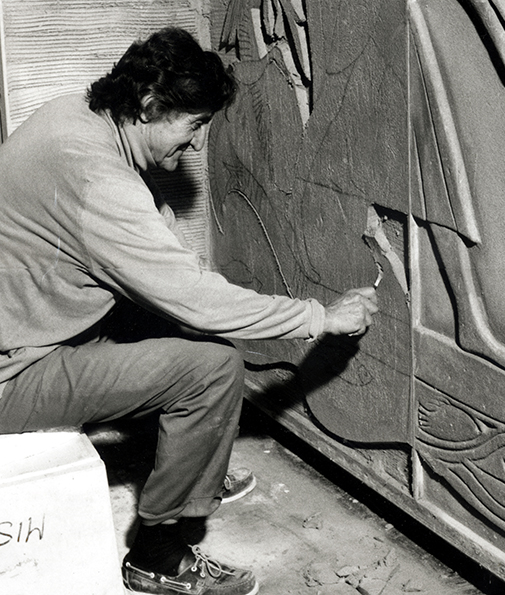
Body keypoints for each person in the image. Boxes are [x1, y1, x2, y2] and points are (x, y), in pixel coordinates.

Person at [0, 27, 378, 595]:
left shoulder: (74, 116)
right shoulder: (95, 179)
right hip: (13, 374)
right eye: (194, 125)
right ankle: (159, 556)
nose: (197, 144)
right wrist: (320, 318)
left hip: (28, 330)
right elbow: (196, 301)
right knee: (213, 366)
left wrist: (171, 260)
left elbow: (141, 241)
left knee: (170, 320)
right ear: (150, 107)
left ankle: (189, 465)